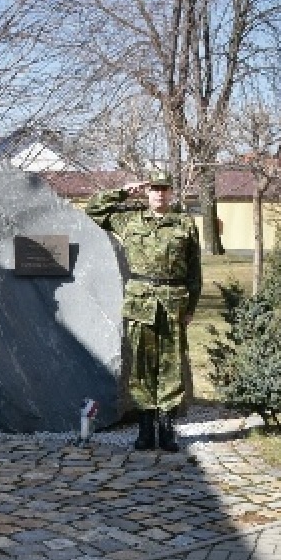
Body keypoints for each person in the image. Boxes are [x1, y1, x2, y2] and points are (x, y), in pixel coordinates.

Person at [84, 170, 203, 451]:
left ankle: (168, 428)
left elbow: (195, 270)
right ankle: (146, 428)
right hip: (141, 303)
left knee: (171, 367)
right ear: (147, 191)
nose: (159, 194)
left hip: (173, 302)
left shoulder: (184, 224)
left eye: (164, 188)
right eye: (154, 189)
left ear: (171, 192)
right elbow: (93, 209)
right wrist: (125, 191)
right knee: (141, 367)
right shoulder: (130, 220)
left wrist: (191, 307)